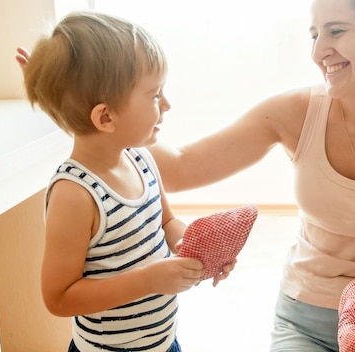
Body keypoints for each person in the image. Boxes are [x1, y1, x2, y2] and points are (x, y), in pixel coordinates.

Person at [18, 0, 355, 351]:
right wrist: (73, 100)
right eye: (314, 34)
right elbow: (177, 168)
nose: (319, 52)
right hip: (306, 312)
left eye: (336, 31)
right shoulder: (294, 112)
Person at [19, 11, 234, 352]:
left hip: (163, 341)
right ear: (105, 117)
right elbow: (58, 298)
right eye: (153, 95)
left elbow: (166, 221)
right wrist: (148, 280)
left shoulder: (140, 158)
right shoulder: (75, 195)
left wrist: (199, 252)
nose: (166, 104)